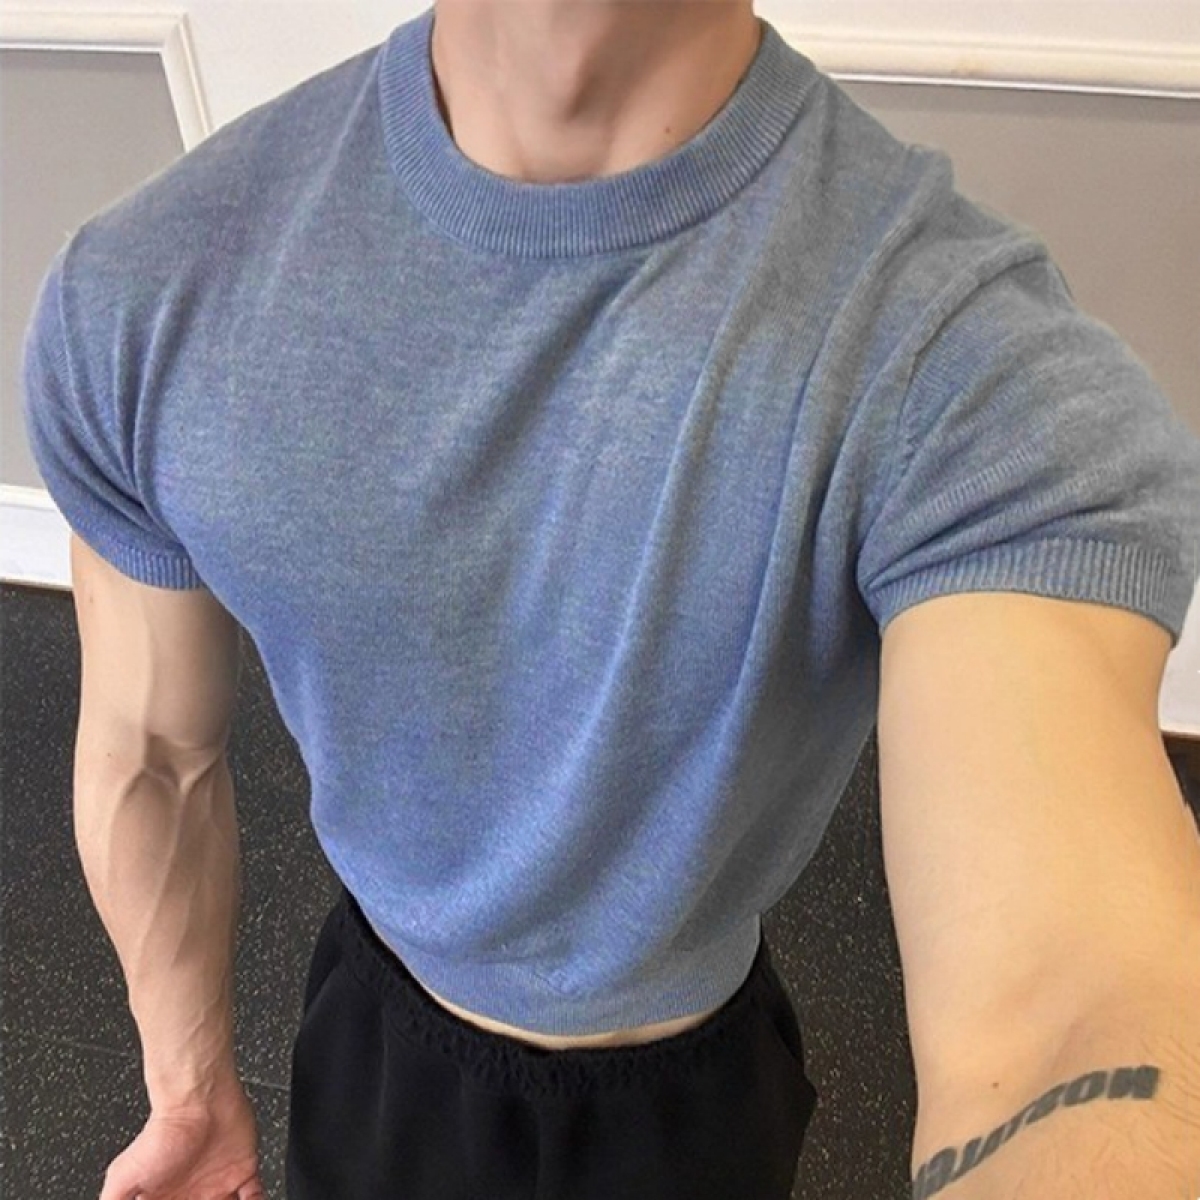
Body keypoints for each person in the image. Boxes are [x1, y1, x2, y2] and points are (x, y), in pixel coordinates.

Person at [20, 1, 1200, 1198]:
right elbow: (152, 756)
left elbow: (1073, 1014)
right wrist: (186, 1089)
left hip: (688, 1093)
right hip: (380, 1036)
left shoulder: (974, 375)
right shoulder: (149, 294)